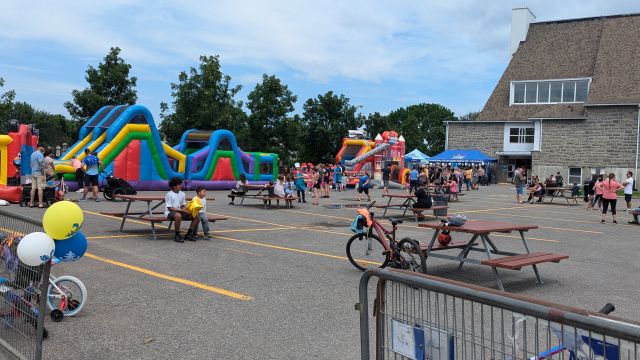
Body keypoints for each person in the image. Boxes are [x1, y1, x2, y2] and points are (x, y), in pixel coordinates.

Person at [164, 178, 199, 242]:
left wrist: (187, 210)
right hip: (170, 212)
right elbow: (170, 208)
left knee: (196, 215)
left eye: (181, 184)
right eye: (179, 184)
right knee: (178, 216)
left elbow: (183, 206)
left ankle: (189, 234)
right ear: (174, 186)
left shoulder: (182, 194)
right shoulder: (169, 194)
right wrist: (182, 211)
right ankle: (177, 235)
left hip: (180, 211)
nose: (181, 185)